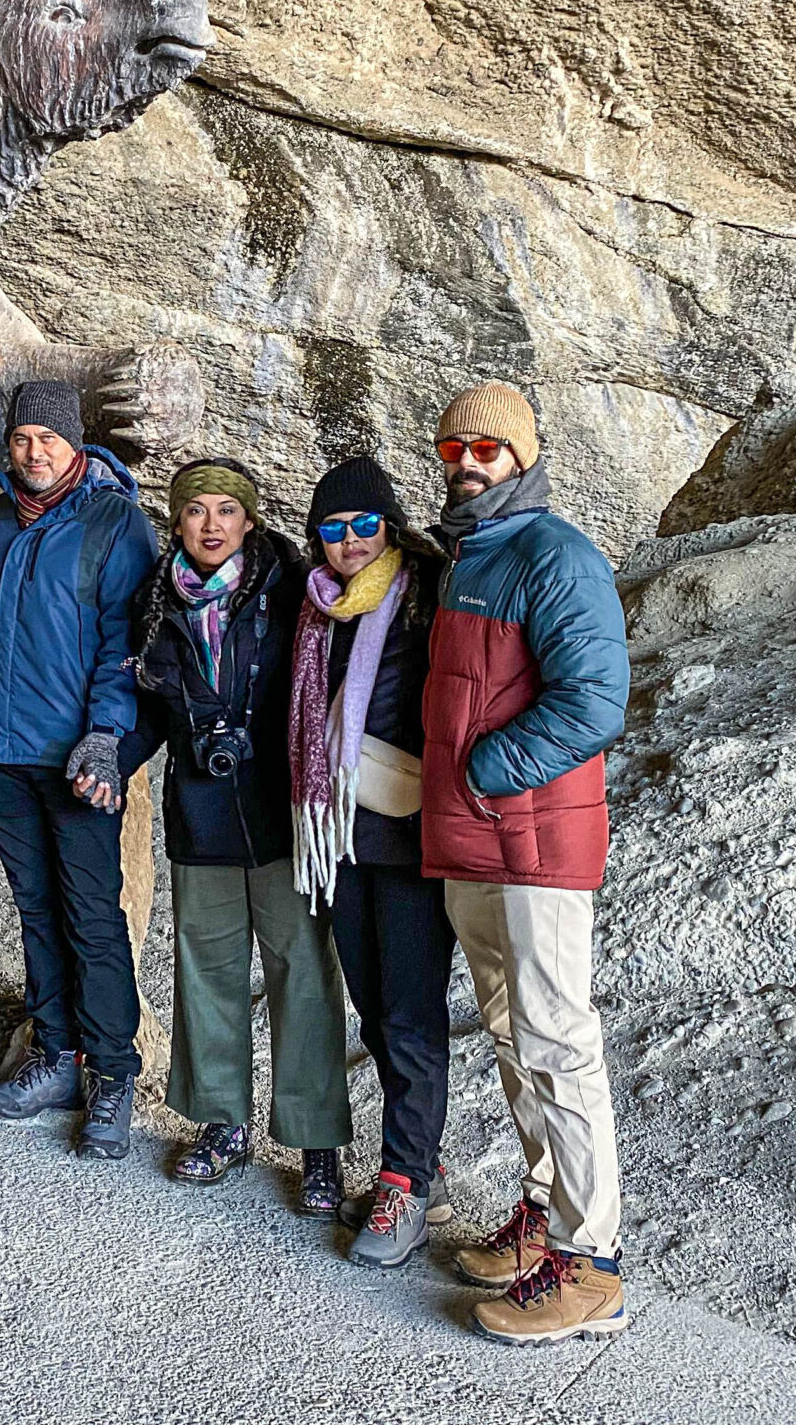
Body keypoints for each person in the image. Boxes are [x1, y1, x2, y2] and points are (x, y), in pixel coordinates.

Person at [420, 383, 632, 1344]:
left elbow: (593, 700)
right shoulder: (467, 554)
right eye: (455, 445)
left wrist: (488, 769)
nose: (468, 461)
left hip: (534, 840)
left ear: (523, 457)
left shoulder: (557, 556)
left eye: (489, 448)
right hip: (476, 836)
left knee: (556, 1037)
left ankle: (593, 1264)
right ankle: (543, 1222)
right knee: (511, 1035)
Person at [124, 460, 350, 1193]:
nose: (212, 525)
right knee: (207, 971)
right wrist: (107, 758)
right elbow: (152, 713)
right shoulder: (158, 603)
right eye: (197, 511)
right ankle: (223, 1121)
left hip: (286, 817)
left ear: (250, 521)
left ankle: (316, 1140)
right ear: (177, 522)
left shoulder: (291, 591)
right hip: (200, 813)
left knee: (304, 975)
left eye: (227, 510)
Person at [0, 379, 159, 1159]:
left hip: (80, 760)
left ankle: (113, 1072)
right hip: (6, 753)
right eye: (22, 439)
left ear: (74, 443)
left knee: (92, 916)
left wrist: (107, 737)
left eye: (48, 438)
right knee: (36, 910)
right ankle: (56, 1051)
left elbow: (129, 643)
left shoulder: (115, 522)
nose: (34, 451)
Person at [289, 455, 453, 1268]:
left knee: (412, 1012)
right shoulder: (318, 605)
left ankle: (404, 1183)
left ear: (388, 526)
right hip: (339, 838)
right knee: (375, 1008)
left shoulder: (425, 591)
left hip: (414, 832)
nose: (349, 541)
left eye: (363, 525)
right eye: (332, 528)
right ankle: (415, 1161)